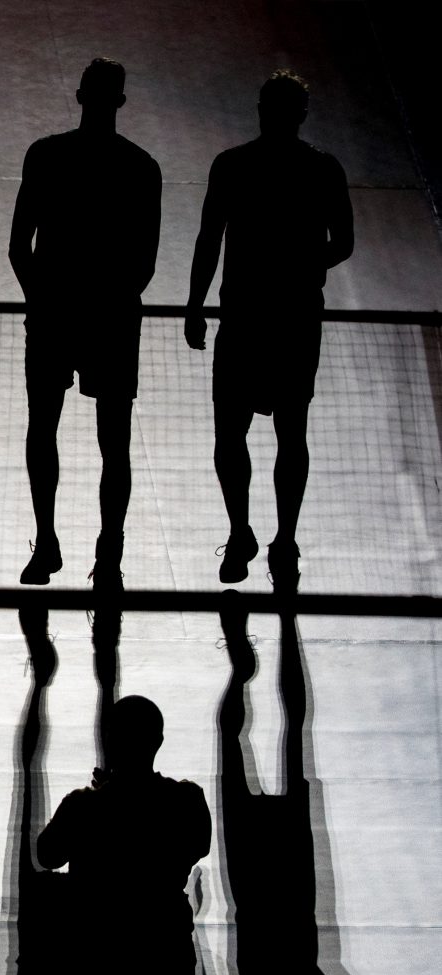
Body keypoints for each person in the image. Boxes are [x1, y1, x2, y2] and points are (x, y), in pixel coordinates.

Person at [185, 70, 353, 590]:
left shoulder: (233, 165)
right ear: (300, 114)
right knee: (290, 432)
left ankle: (244, 533)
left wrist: (195, 304)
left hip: (244, 318)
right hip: (296, 319)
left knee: (232, 434)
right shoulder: (322, 168)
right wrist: (306, 266)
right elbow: (343, 242)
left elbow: (210, 238)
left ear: (262, 110)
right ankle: (283, 540)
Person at [9, 57, 161, 592]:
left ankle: (47, 541)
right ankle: (109, 554)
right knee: (113, 442)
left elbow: (18, 246)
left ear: (80, 96)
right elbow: (145, 261)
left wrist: (40, 299)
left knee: (43, 430)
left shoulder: (46, 156)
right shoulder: (141, 167)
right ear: (119, 101)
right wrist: (112, 298)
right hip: (112, 318)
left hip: (54, 313)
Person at [38, 695, 211, 975]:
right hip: (165, 951)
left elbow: (47, 855)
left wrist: (103, 795)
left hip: (99, 954)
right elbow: (198, 846)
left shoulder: (82, 807)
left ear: (109, 741)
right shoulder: (186, 801)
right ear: (158, 741)